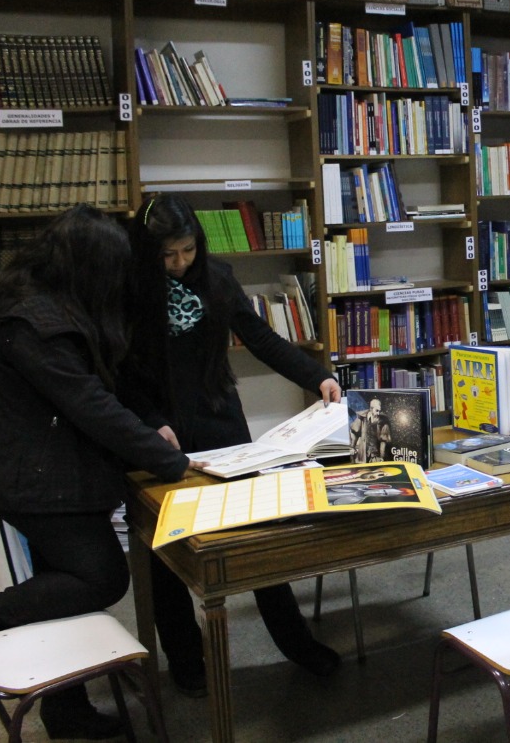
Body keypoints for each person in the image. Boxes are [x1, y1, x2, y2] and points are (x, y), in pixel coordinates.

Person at [0, 205, 193, 740]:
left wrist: (149, 431)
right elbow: (92, 406)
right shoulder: (37, 326)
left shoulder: (39, 302)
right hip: (38, 482)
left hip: (38, 471)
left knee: (58, 583)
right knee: (101, 576)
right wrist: (171, 462)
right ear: (88, 268)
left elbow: (101, 392)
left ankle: (65, 709)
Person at [120, 194, 343, 698]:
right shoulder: (130, 290)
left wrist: (316, 377)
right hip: (160, 433)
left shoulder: (216, 278)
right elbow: (122, 373)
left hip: (220, 422)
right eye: (168, 255)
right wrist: (150, 423)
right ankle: (186, 661)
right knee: (167, 553)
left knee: (256, 539)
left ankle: (296, 643)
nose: (179, 263)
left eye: (187, 251)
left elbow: (261, 338)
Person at [350, 396, 391, 462]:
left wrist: (382, 457)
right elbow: (355, 432)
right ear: (371, 409)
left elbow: (383, 442)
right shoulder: (362, 418)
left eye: (379, 411)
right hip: (362, 455)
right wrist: (352, 447)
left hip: (375, 456)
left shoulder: (383, 422)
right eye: (376, 410)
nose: (378, 413)